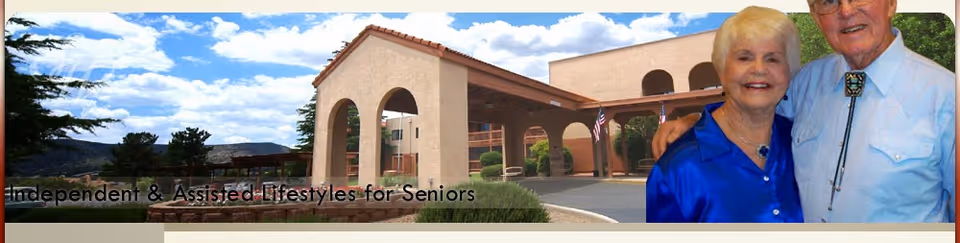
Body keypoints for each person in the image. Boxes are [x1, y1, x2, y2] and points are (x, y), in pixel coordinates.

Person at [651, 0, 956, 223]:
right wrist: (693, 121)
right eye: (828, 1)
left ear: (891, 3)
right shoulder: (807, 82)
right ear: (815, 14)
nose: (846, 11)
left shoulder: (946, 97)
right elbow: (749, 105)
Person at [646, 6, 804, 223]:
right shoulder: (678, 168)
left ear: (789, 71)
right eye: (744, 57)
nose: (759, 69)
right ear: (721, 69)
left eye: (773, 59)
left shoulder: (802, 142)